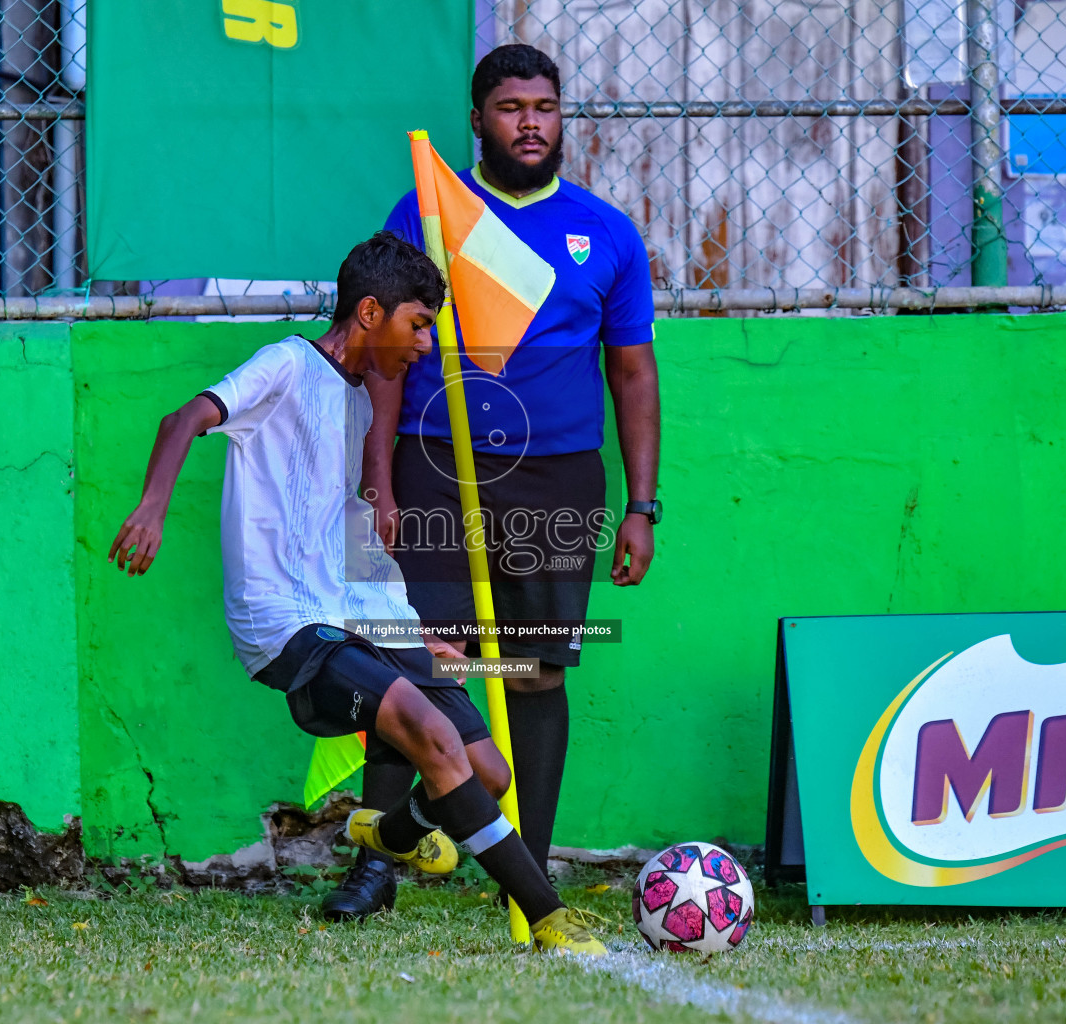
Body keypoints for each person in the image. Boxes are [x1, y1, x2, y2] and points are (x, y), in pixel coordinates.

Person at [107, 231, 605, 955]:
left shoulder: (359, 404)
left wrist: (403, 622)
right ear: (369, 313)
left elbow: (342, 522)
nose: (426, 345)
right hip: (288, 619)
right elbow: (183, 418)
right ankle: (551, 920)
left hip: (357, 608)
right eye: (419, 325)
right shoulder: (284, 363)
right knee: (432, 739)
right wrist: (151, 506)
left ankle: (388, 830)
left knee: (489, 771)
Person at [323, 44, 660, 921]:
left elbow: (631, 373)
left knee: (534, 674)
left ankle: (528, 873)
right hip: (434, 465)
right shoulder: (428, 209)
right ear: (478, 119)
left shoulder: (609, 232)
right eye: (511, 108)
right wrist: (380, 483)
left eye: (544, 107)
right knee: (421, 667)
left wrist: (642, 505)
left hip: (557, 483)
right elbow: (389, 363)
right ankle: (377, 865)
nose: (531, 123)